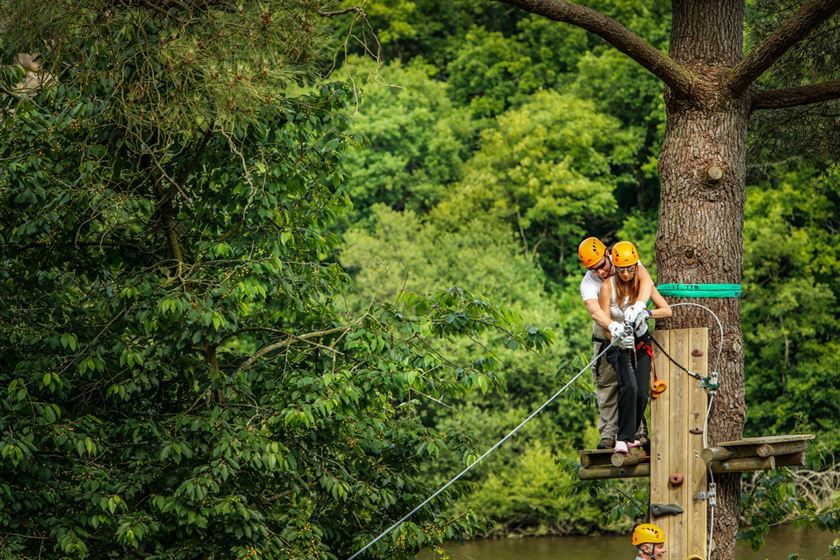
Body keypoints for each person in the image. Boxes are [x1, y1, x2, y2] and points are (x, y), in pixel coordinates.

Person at [578, 237, 654, 449]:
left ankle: (637, 432)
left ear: (607, 254)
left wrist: (640, 305)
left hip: (633, 333)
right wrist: (612, 327)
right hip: (607, 336)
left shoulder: (624, 258)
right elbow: (595, 311)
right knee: (608, 384)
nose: (600, 272)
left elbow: (647, 282)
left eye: (601, 265)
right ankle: (609, 434)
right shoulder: (588, 283)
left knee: (635, 385)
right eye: (594, 269)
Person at [599, 241, 671, 453]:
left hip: (640, 341)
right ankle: (622, 438)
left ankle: (631, 436)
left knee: (641, 392)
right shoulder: (607, 287)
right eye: (622, 269)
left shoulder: (642, 282)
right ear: (616, 268)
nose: (627, 274)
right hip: (618, 344)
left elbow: (666, 310)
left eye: (631, 268)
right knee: (628, 386)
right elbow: (603, 321)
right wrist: (616, 335)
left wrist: (645, 313)